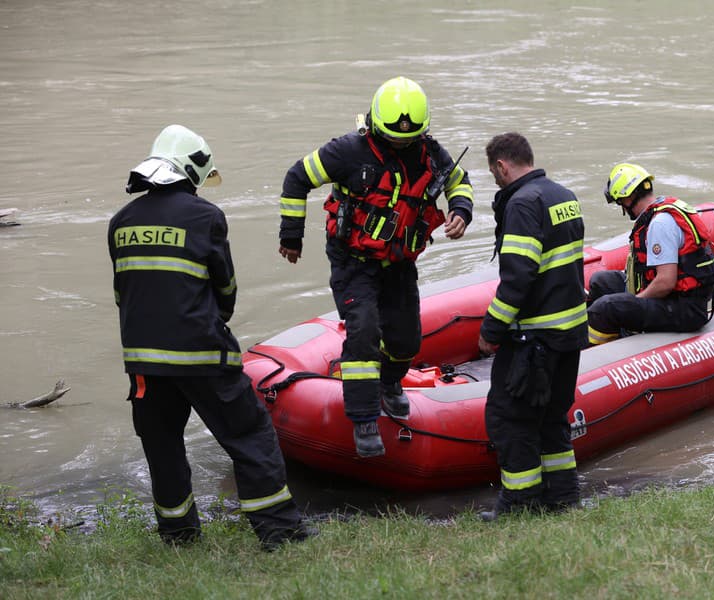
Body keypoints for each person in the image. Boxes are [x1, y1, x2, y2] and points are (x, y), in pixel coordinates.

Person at [108, 124, 315, 550]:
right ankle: (281, 532)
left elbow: (122, 294)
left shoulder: (120, 222)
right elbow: (225, 290)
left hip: (144, 363)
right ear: (192, 171)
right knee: (250, 434)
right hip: (202, 355)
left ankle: (179, 536)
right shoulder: (206, 218)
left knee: (162, 447)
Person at [277, 76, 474, 458]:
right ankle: (364, 419)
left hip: (399, 263)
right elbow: (297, 177)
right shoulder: (347, 152)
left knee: (406, 340)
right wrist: (291, 235)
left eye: (409, 138)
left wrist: (461, 211)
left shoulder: (430, 153)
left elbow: (459, 183)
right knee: (364, 329)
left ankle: (390, 383)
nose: (402, 143)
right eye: (394, 138)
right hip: (354, 262)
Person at [477, 132, 586, 520]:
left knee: (509, 418)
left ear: (502, 166)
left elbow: (518, 277)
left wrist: (491, 331)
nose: (495, 180)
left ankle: (520, 504)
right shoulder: (564, 196)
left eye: (494, 173)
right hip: (569, 333)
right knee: (553, 417)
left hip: (534, 338)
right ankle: (563, 496)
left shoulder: (522, 204)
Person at [586, 163, 714, 344]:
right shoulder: (660, 211)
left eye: (621, 202)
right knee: (601, 281)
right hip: (671, 296)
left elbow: (666, 282)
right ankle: (596, 332)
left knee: (607, 307)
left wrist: (634, 302)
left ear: (630, 196)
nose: (623, 209)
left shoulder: (660, 224)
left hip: (684, 308)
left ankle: (588, 354)